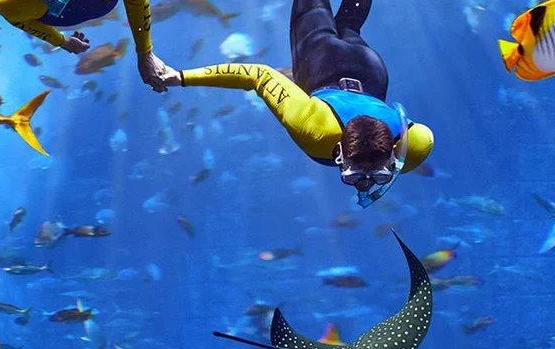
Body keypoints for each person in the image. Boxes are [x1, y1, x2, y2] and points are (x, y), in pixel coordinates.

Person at [138, 0, 433, 207]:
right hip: (321, 59)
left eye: (375, 176)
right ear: (339, 152)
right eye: (357, 174)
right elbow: (258, 75)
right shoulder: (316, 131)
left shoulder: (412, 144)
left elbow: (421, 136)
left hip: (370, 70)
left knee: (350, 26)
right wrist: (180, 77)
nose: (366, 184)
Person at [0, 0, 114, 53]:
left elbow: (24, 23)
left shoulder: (2, 5)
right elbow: (24, 23)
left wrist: (63, 42)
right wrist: (63, 42)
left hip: (63, 12)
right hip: (66, 11)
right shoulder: (3, 5)